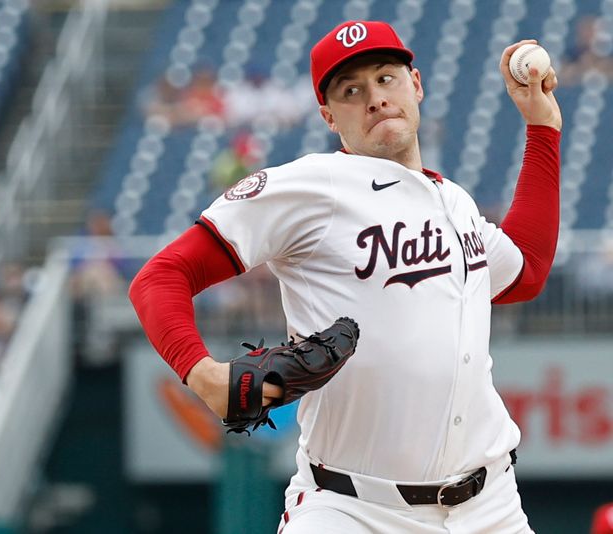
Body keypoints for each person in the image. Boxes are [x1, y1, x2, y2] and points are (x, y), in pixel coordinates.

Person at [130, 20, 562, 533]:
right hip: (353, 510)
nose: (375, 98)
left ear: (416, 85)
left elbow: (526, 271)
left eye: (386, 78)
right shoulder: (312, 186)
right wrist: (202, 374)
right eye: (352, 91)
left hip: (490, 507)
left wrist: (543, 128)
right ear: (328, 115)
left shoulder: (454, 202)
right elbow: (161, 276)